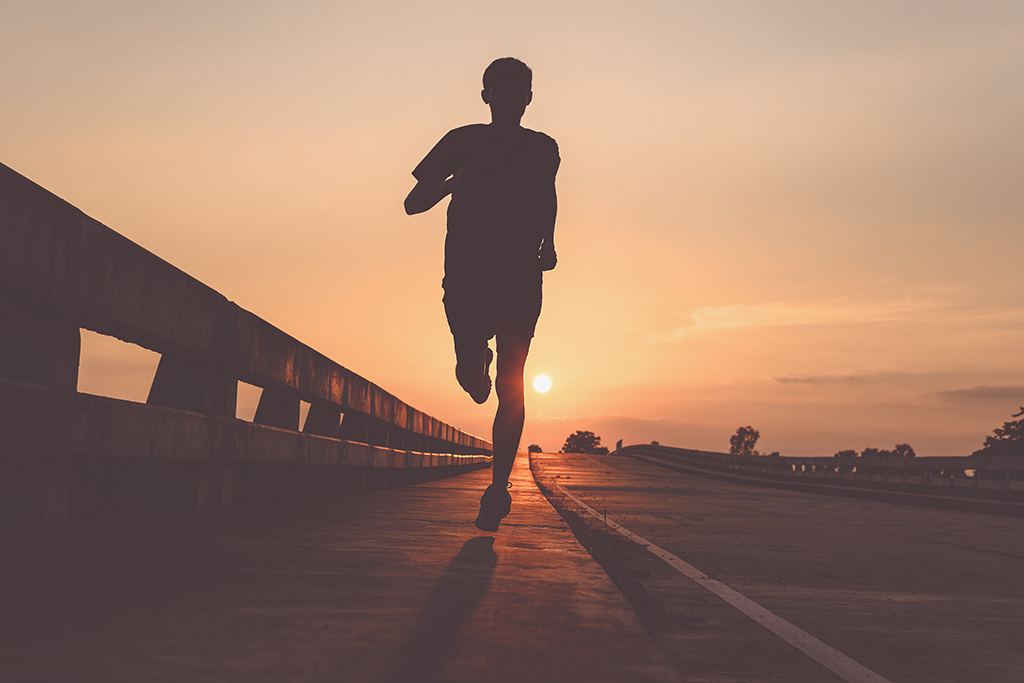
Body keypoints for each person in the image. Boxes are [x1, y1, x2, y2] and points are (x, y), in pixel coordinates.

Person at [404, 57, 559, 531]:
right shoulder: (462, 141)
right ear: (486, 96)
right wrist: (453, 183)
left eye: (520, 92)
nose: (512, 100)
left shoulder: (544, 148)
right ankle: (473, 364)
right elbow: (412, 203)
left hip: (520, 277)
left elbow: (547, 195)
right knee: (475, 381)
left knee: (514, 383)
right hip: (469, 277)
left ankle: (497, 488)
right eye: (502, 91)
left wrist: (549, 241)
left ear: (530, 97)